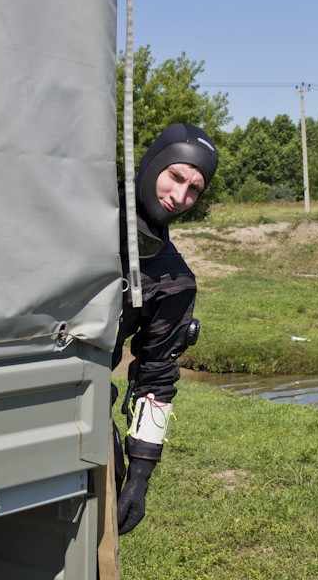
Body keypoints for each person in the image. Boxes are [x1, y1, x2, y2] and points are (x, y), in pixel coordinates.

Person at [113, 123, 218, 535]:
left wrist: (140, 473)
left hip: (79, 411)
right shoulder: (80, 210)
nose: (180, 197)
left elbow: (156, 378)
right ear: (152, 163)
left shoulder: (174, 278)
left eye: (194, 189)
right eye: (175, 176)